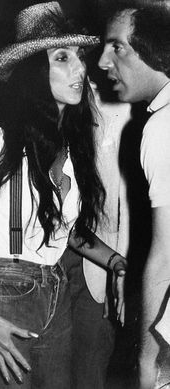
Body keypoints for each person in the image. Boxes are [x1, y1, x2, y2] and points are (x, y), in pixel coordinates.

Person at [0, 2, 127, 388]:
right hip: (3, 297)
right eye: (62, 58)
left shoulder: (72, 149)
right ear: (34, 72)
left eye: (79, 57)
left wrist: (117, 263)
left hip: (57, 300)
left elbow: (68, 233)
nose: (80, 69)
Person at [98, 4, 170, 389]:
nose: (103, 61)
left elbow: (165, 257)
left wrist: (146, 359)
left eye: (117, 47)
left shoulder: (163, 126)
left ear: (154, 49)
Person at [66, 73, 131, 389]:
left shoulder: (126, 101)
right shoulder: (58, 95)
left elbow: (127, 203)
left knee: (89, 371)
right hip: (43, 260)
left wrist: (117, 273)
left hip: (98, 260)